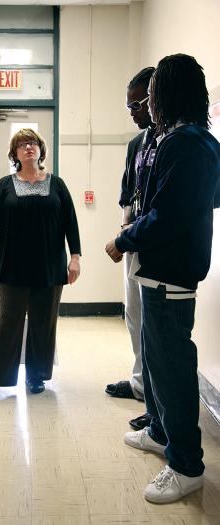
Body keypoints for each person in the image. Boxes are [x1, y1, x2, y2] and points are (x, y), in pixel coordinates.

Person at [105, 54, 220, 503]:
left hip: (170, 274)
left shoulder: (186, 144)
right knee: (157, 363)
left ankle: (186, 465)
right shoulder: (190, 141)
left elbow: (167, 215)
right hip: (165, 274)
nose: (147, 104)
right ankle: (159, 431)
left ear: (167, 94)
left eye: (151, 95)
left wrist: (125, 239)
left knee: (172, 371)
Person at [0, 128, 81, 402]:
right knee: (8, 323)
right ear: (15, 154)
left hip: (50, 267)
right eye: (22, 144)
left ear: (40, 150)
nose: (28, 147)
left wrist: (75, 257)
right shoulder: (5, 185)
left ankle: (35, 375)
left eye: (32, 143)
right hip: (14, 268)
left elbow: (70, 223)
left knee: (44, 323)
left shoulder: (58, 184)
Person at [105, 67, 157, 433]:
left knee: (154, 326)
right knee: (134, 316)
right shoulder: (136, 145)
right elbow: (128, 194)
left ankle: (154, 401)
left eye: (137, 104)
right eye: (129, 107)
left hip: (157, 245)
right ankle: (140, 384)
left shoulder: (167, 141)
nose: (133, 112)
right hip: (133, 238)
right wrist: (125, 228)